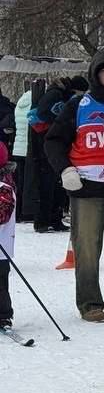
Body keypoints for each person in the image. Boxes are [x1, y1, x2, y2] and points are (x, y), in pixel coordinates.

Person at [45, 50, 104, 322]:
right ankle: (90, 303)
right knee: (88, 247)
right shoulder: (80, 104)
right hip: (87, 187)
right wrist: (65, 169)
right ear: (96, 74)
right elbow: (54, 140)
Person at [30, 75, 87, 233]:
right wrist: (60, 119)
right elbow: (43, 113)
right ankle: (42, 220)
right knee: (47, 182)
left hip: (51, 141)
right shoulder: (56, 94)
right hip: (46, 142)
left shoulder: (60, 94)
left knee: (56, 183)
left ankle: (54, 219)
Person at [0, 141, 15, 331]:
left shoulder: (4, 187)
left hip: (1, 249)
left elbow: (2, 215)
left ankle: (3, 316)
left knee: (0, 285)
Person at [11, 88, 31, 221]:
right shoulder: (32, 106)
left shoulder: (19, 105)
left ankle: (16, 212)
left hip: (17, 149)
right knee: (27, 183)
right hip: (27, 149)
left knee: (18, 183)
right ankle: (25, 212)